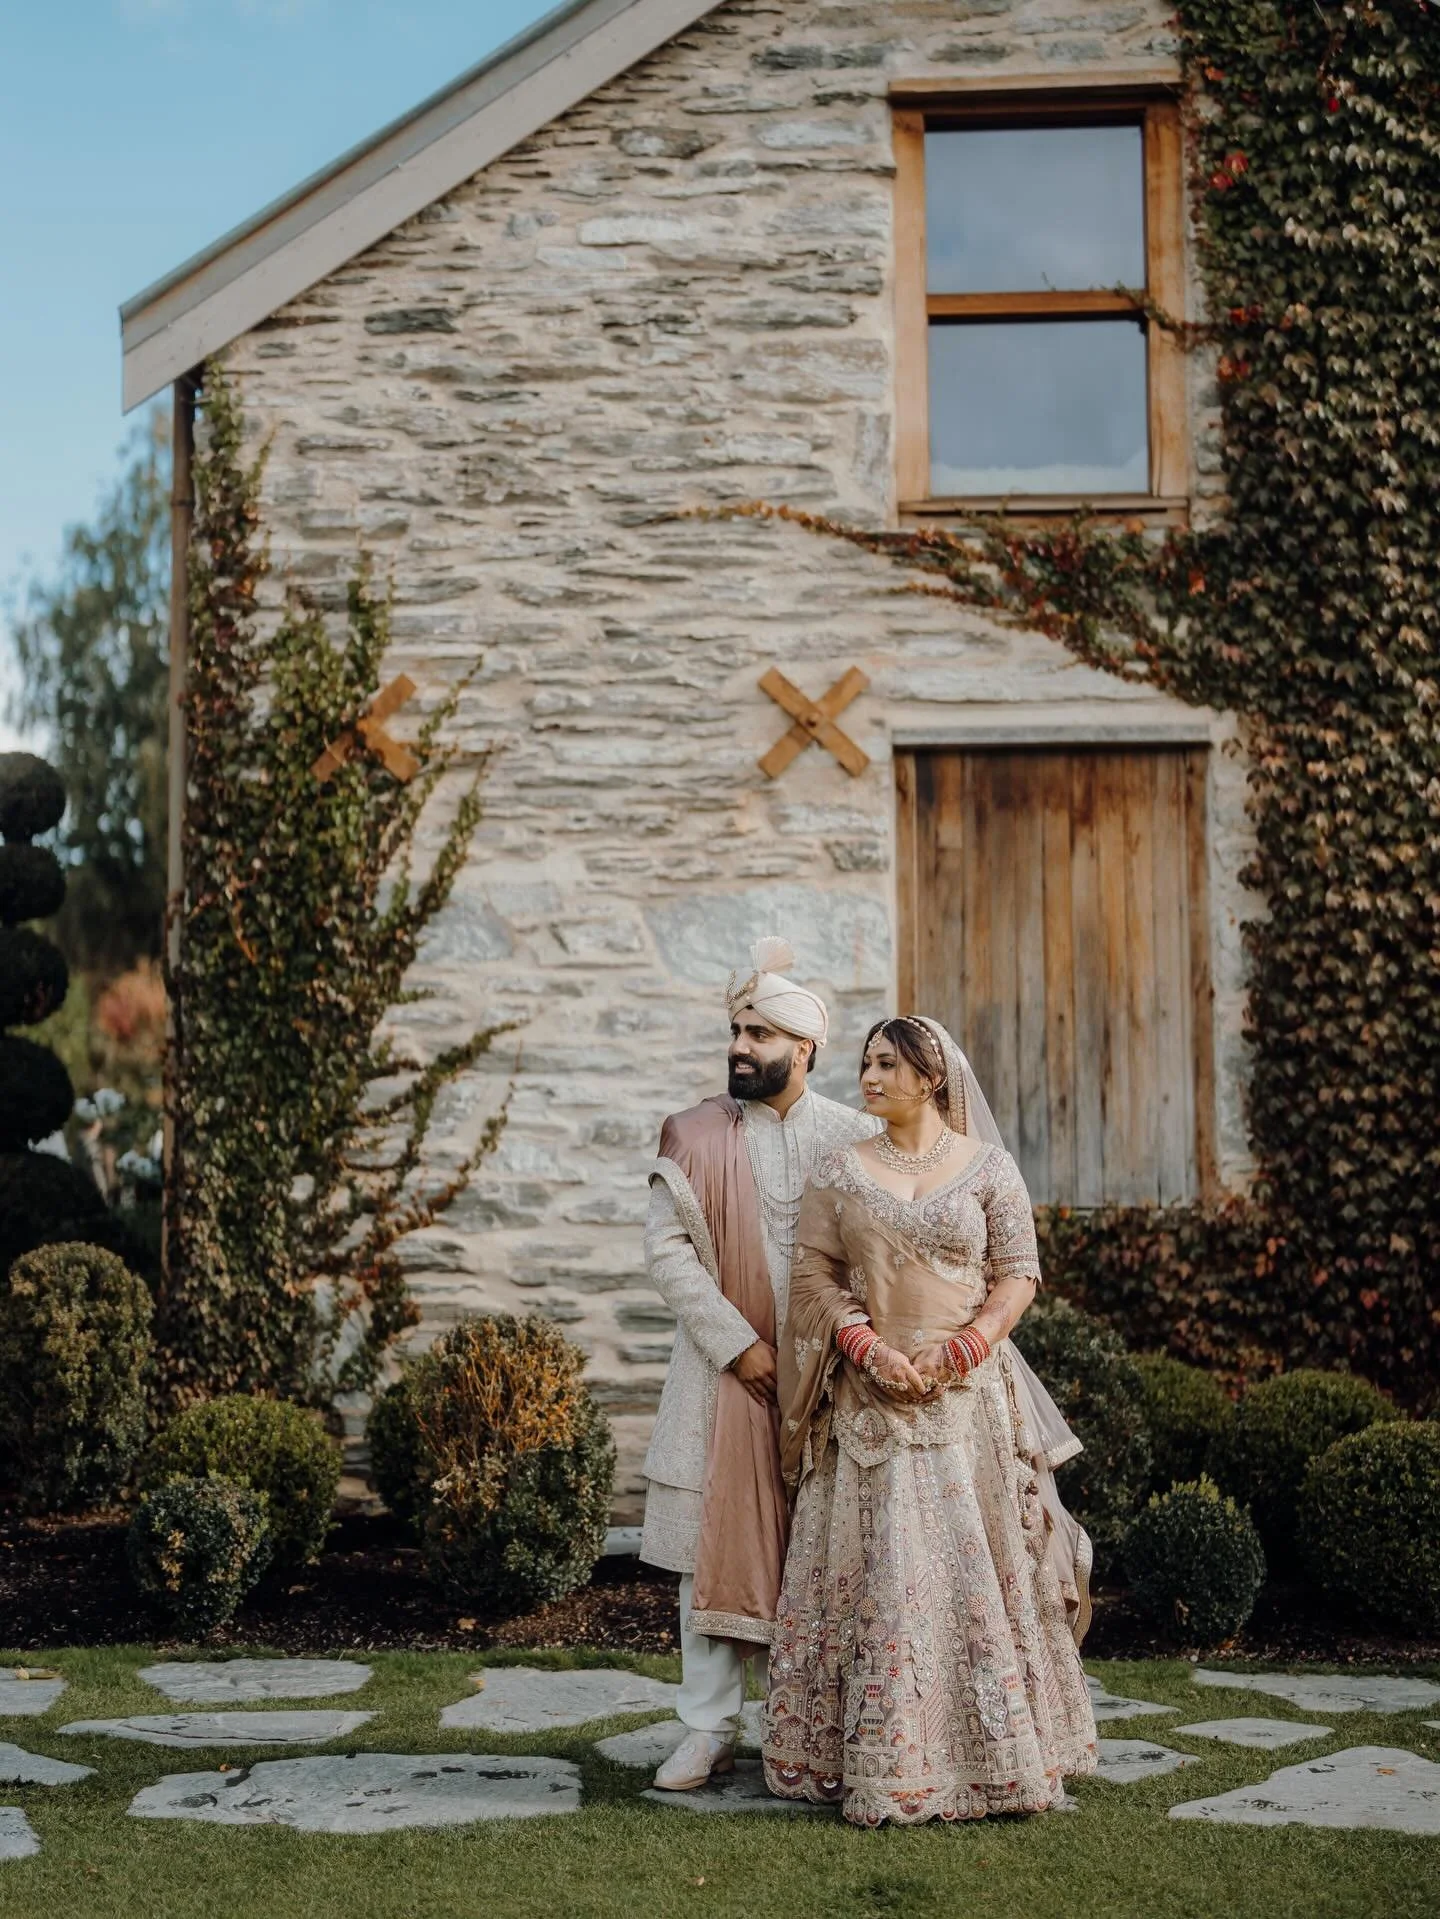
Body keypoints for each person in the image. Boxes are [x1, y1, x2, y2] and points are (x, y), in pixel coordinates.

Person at [763, 1015, 1098, 1826]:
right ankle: (873, 1756)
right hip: (870, 1399)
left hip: (966, 1401)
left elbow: (1019, 1272)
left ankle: (991, 1754)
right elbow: (810, 1273)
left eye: (887, 1064)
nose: (869, 1076)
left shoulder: (988, 1168)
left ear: (931, 1078)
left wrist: (966, 1349)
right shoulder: (840, 1171)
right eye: (868, 1062)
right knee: (877, 1569)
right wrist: (866, 1345)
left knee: (974, 1572)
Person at [639, 937, 881, 1791]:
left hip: (830, 1383)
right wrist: (740, 1346)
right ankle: (707, 1729)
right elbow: (667, 1254)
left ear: (804, 1049)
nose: (739, 1046)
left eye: (760, 1033)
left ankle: (805, 1726)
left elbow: (887, 1254)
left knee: (824, 1552)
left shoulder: (856, 1138)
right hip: (720, 1377)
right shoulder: (697, 1133)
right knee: (717, 1546)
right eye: (736, 1029)